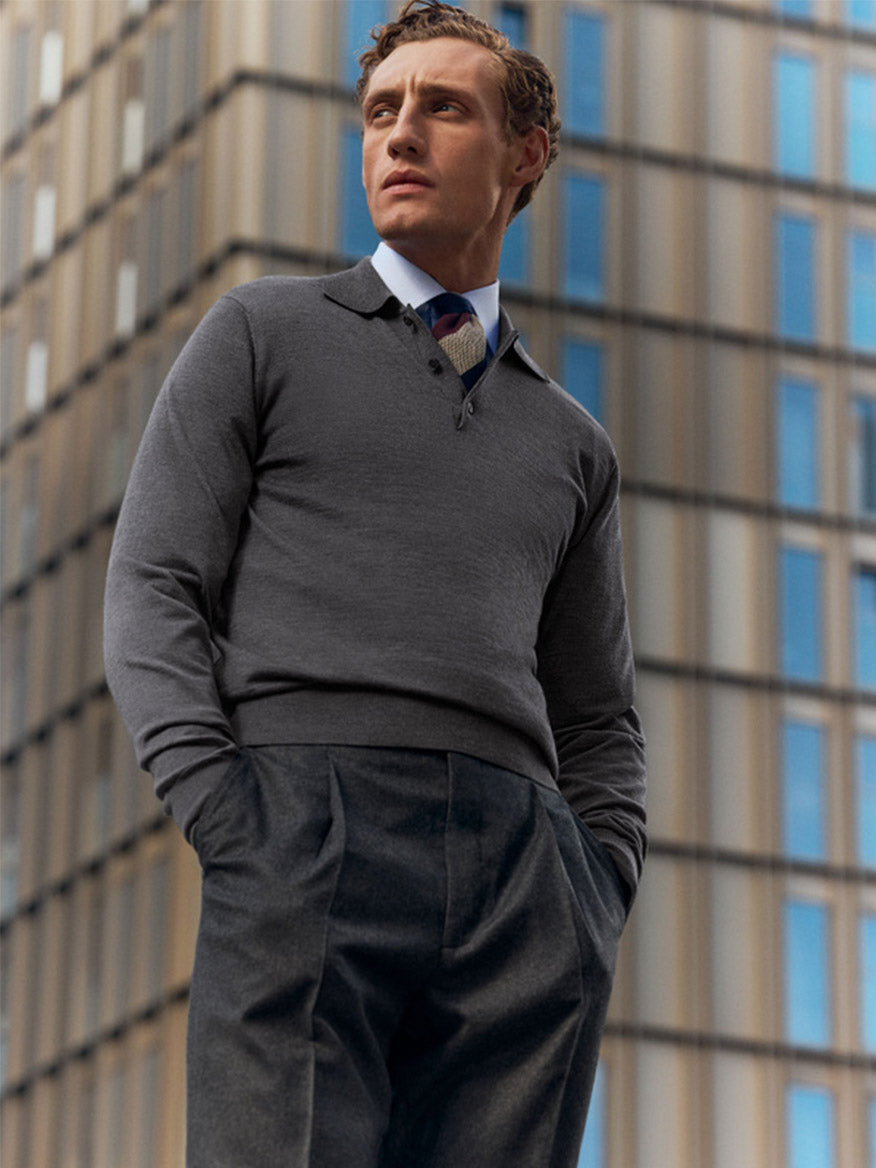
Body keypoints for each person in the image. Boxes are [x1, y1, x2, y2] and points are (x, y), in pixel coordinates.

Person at [103, 2, 646, 1165]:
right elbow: (152, 588)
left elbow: (599, 715)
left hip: (524, 881)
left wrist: (593, 889)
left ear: (525, 155)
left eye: (444, 108)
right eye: (381, 111)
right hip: (301, 829)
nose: (400, 133)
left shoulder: (573, 444)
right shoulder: (259, 334)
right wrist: (231, 817)